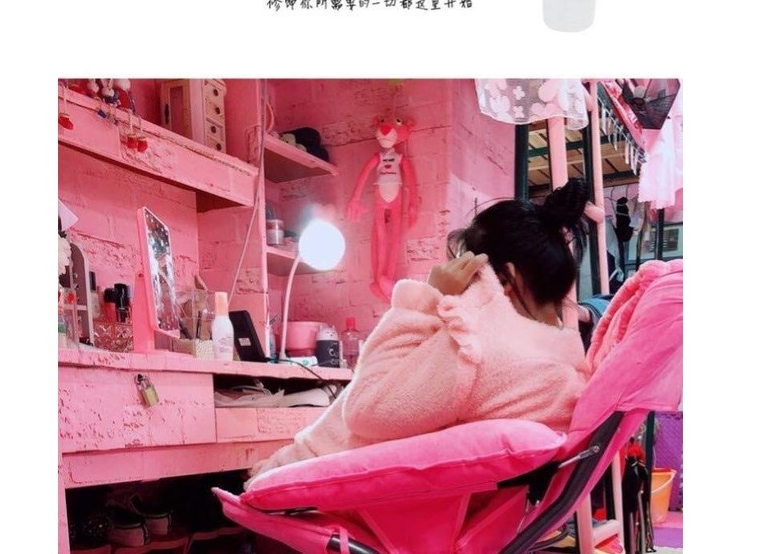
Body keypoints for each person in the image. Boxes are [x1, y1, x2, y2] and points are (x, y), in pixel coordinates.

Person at [247, 178, 593, 484]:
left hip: (314, 479)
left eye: (470, 272)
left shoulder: (476, 349)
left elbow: (363, 410)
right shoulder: (565, 371)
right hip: (405, 500)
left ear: (504, 277)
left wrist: (425, 299)